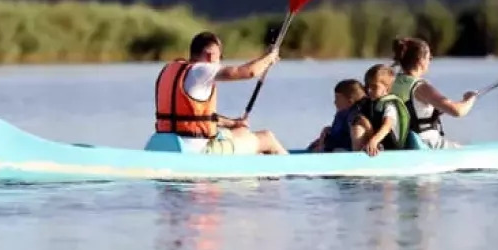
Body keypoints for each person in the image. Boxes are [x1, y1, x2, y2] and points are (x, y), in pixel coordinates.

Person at [153, 31, 288, 155]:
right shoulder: (202, 70)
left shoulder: (170, 70)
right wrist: (269, 58)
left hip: (165, 142)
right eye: (220, 56)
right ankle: (296, 167)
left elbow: (197, 116)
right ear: (210, 55)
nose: (220, 61)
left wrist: (232, 123)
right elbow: (249, 72)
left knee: (241, 131)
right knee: (267, 138)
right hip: (197, 150)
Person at [390, 37, 476, 148]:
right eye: (429, 57)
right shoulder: (421, 87)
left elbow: (410, 110)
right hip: (425, 143)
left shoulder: (392, 82)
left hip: (401, 143)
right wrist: (469, 100)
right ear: (421, 60)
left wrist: (436, 111)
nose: (430, 60)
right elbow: (458, 111)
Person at [359, 63, 411, 156]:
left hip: (389, 150)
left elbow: (387, 126)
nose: (369, 90)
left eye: (374, 87)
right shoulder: (367, 103)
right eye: (367, 86)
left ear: (387, 89)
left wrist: (374, 141)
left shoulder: (390, 105)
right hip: (373, 146)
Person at [308, 79, 367, 152]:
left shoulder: (354, 114)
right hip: (335, 143)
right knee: (314, 145)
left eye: (337, 99)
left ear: (350, 101)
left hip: (344, 147)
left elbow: (361, 125)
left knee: (337, 150)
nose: (334, 102)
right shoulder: (341, 114)